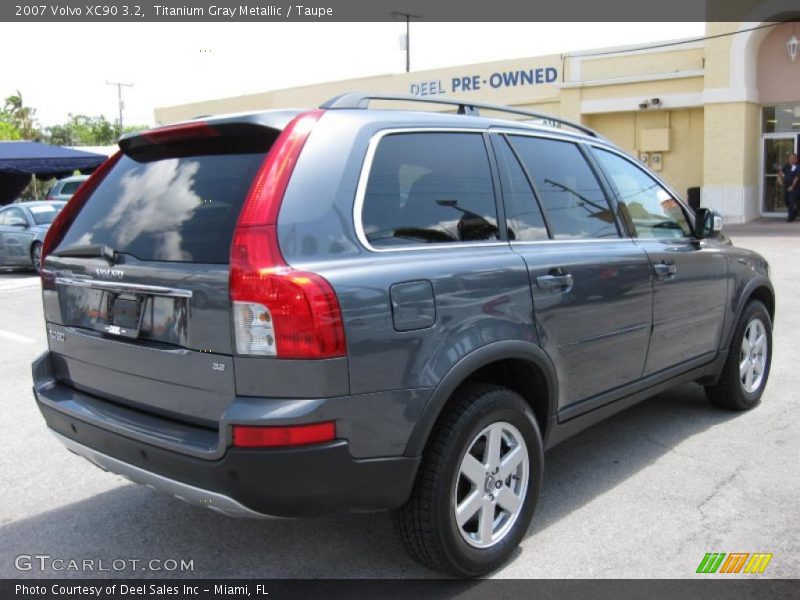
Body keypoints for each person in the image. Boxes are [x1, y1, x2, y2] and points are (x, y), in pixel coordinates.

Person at [779, 153, 799, 222]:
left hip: (794, 187)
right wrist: (780, 178)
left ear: (796, 160)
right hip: (786, 186)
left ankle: (790, 217)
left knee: (791, 201)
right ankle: (794, 212)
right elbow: (781, 172)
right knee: (786, 200)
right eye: (790, 158)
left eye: (793, 158)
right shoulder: (786, 166)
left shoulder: (797, 167)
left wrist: (792, 186)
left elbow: (796, 178)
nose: (792, 160)